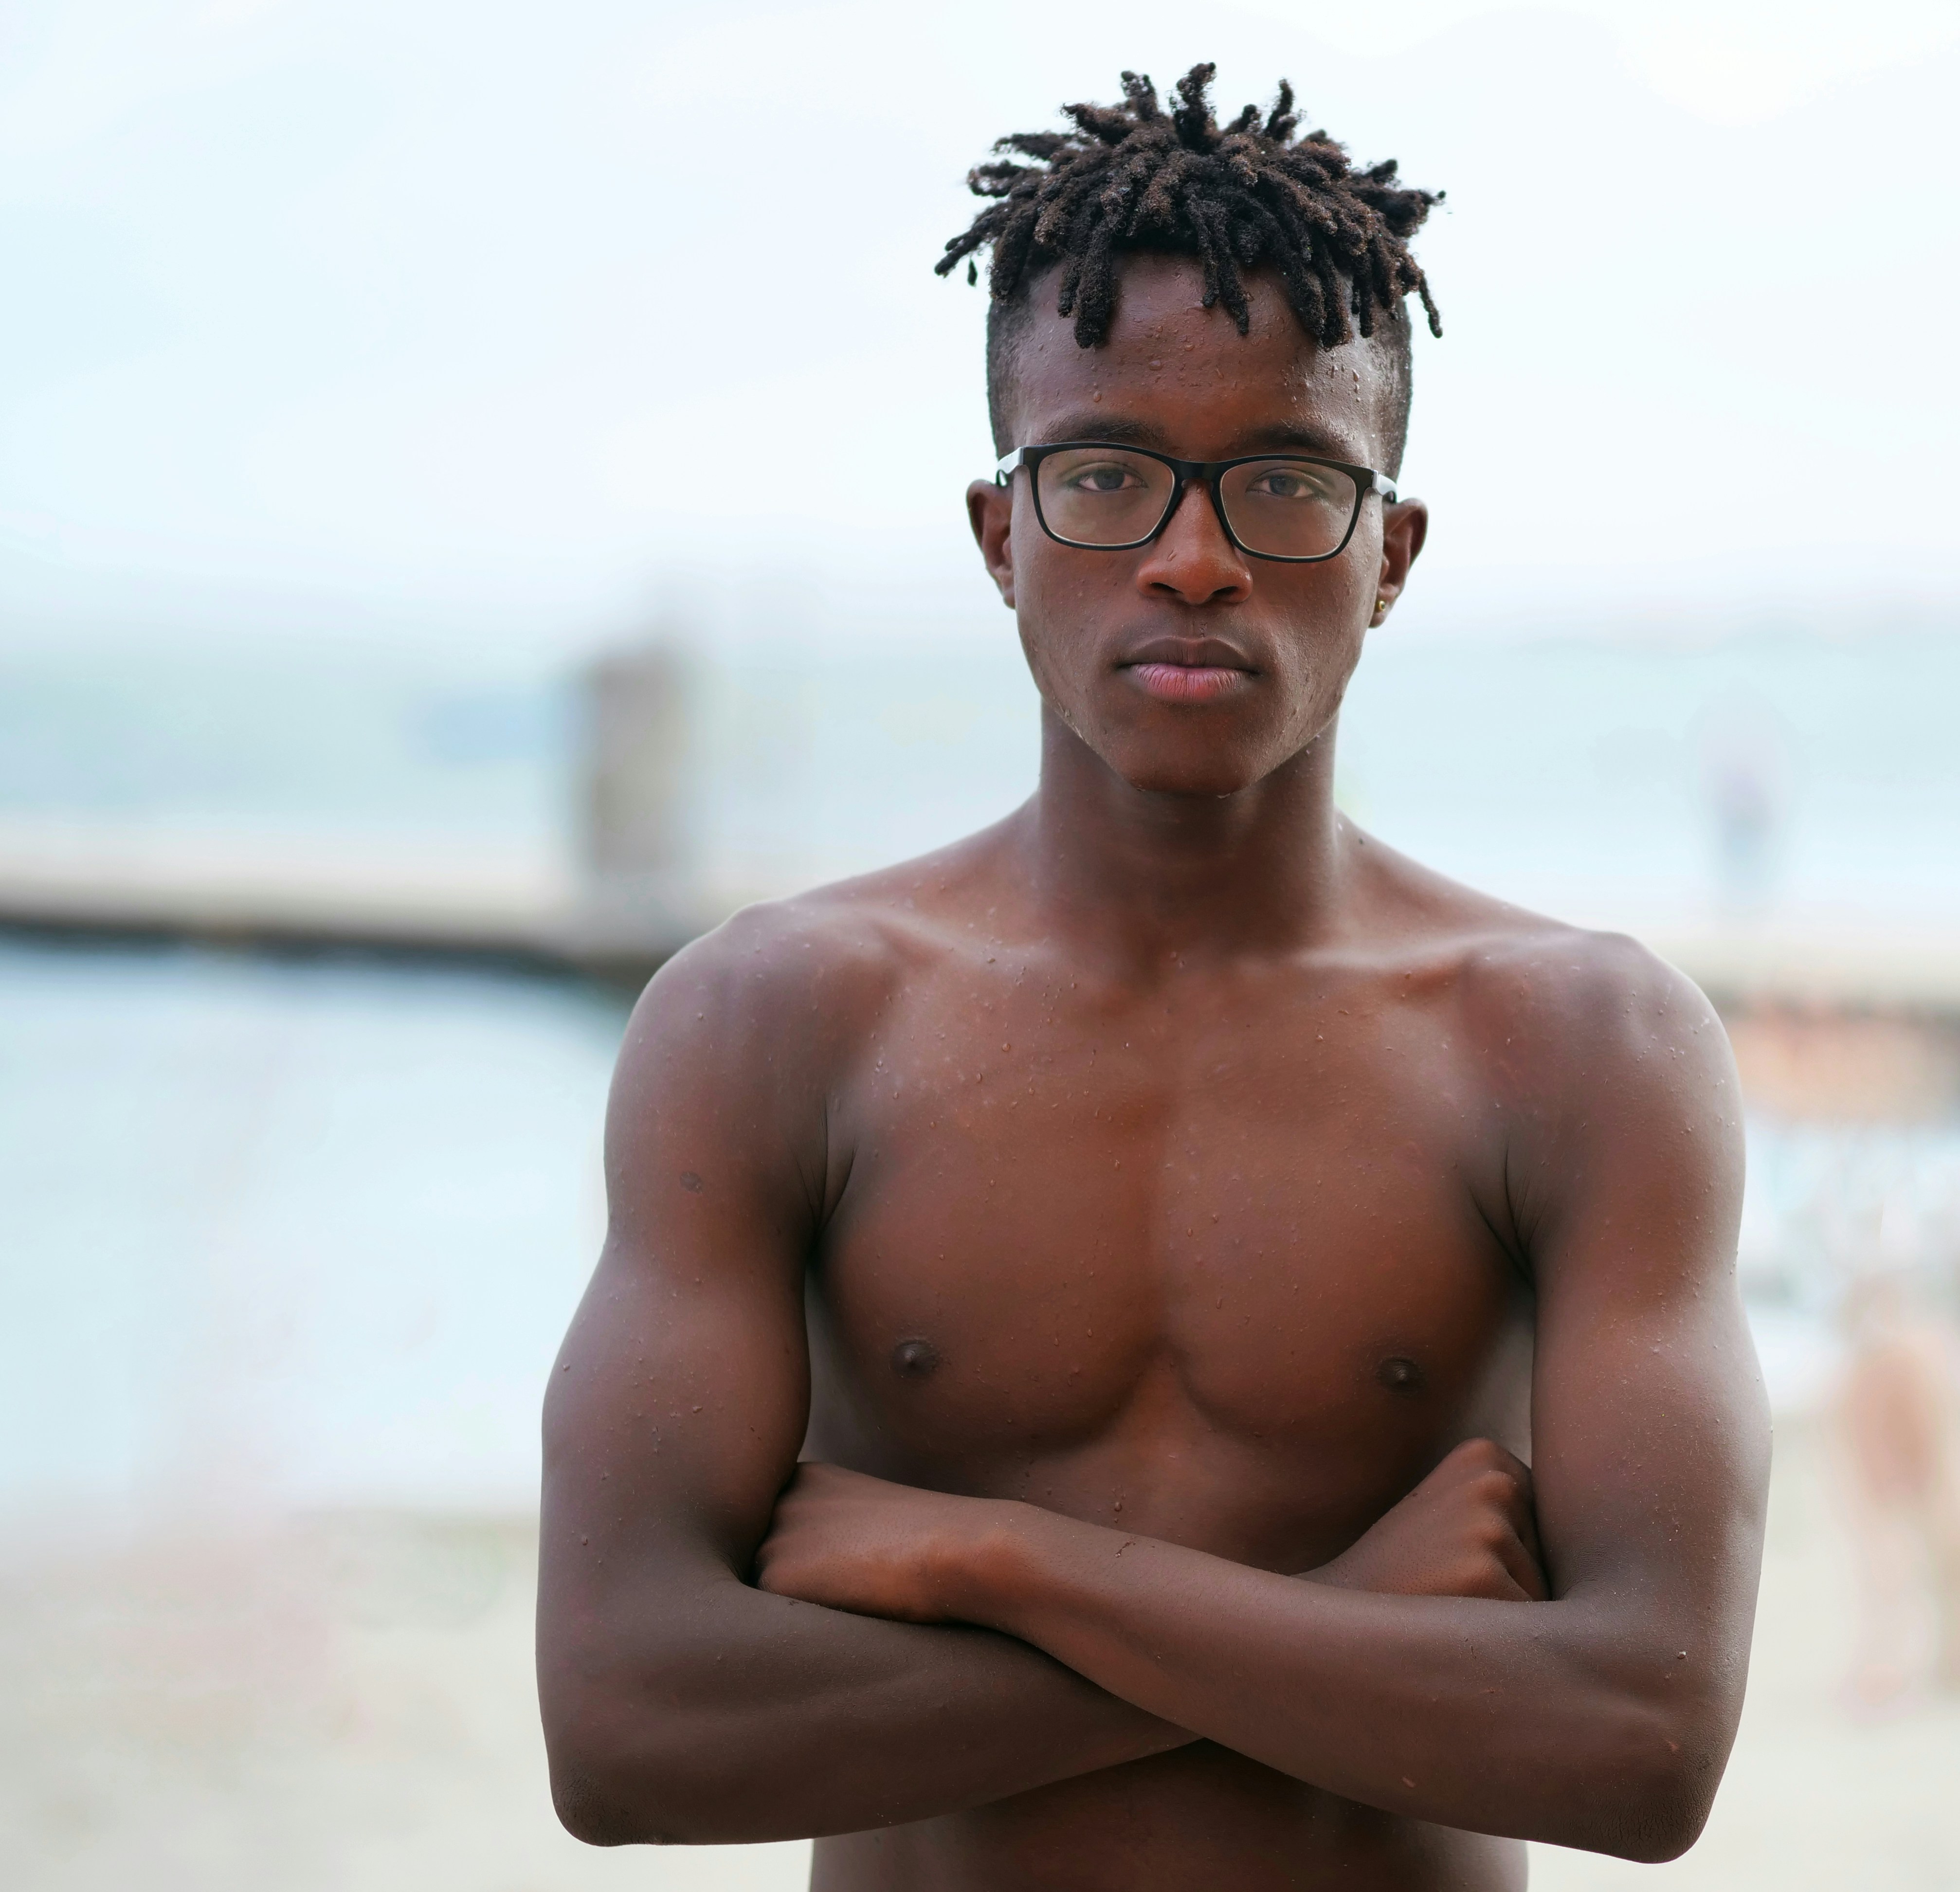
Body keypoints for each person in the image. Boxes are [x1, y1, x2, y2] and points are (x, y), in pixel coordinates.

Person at [537, 66, 1770, 1890]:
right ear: (1000, 534)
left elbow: (1636, 1749)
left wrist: (999, 1562)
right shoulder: (773, 1022)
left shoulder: (1578, 1049)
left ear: (1389, 554)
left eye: (1285, 481)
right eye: (1104, 474)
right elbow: (630, 1730)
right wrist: (1343, 1623)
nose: (1191, 562)